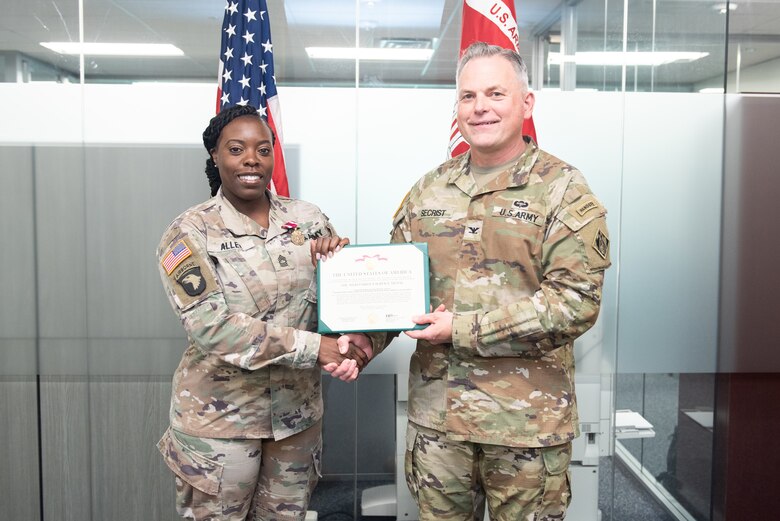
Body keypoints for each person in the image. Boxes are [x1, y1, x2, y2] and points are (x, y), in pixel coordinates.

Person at [350, 41, 612, 520]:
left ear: (526, 103)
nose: (480, 108)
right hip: (438, 424)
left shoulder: (562, 189)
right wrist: (365, 340)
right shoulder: (429, 188)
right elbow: (401, 292)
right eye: (468, 96)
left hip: (524, 428)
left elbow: (576, 303)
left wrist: (463, 330)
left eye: (495, 93)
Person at [155, 104, 370, 521]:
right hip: (221, 424)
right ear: (215, 157)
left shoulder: (308, 219)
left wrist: (355, 335)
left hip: (296, 419)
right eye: (236, 149)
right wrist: (317, 349)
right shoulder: (187, 232)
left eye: (263, 149)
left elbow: (342, 298)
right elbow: (211, 327)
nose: (252, 159)